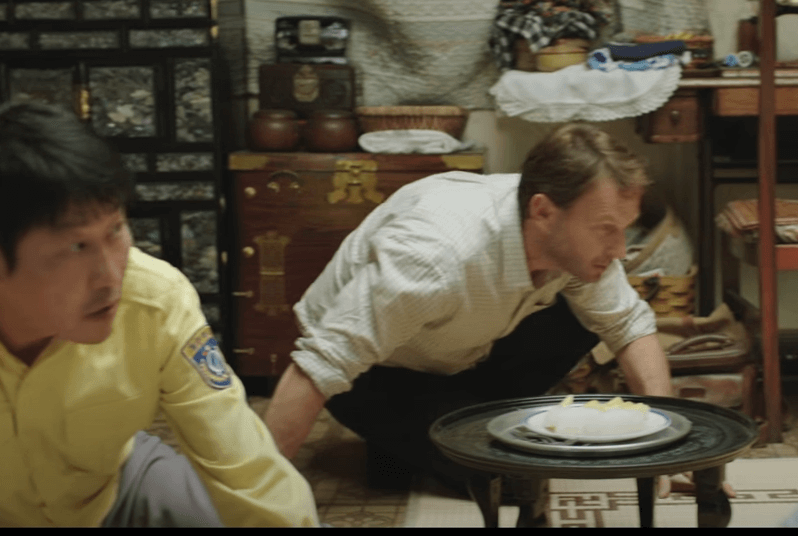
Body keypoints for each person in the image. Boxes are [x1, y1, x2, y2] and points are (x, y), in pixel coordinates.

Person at [0, 101, 319, 527]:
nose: (110, 277)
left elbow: (246, 473)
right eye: (77, 247)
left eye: (115, 231)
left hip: (107, 497)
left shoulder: (155, 301)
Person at [264, 122, 705, 498]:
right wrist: (256, 495)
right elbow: (319, 365)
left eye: (623, 230)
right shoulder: (432, 255)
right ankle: (403, 435)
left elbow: (629, 325)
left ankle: (424, 436)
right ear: (543, 211)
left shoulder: (567, 237)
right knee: (515, 482)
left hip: (465, 350)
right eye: (606, 229)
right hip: (377, 374)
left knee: (581, 314)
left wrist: (667, 447)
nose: (620, 249)